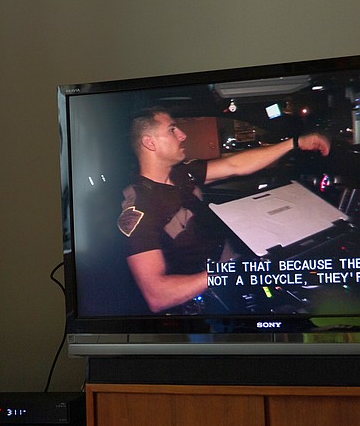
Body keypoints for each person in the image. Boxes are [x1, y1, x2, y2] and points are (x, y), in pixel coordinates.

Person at [117, 107, 330, 313]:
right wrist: (226, 272)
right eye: (172, 129)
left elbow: (234, 165)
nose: (182, 135)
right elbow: (157, 296)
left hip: (229, 263)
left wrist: (294, 143)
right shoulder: (139, 208)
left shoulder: (181, 173)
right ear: (149, 142)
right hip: (209, 292)